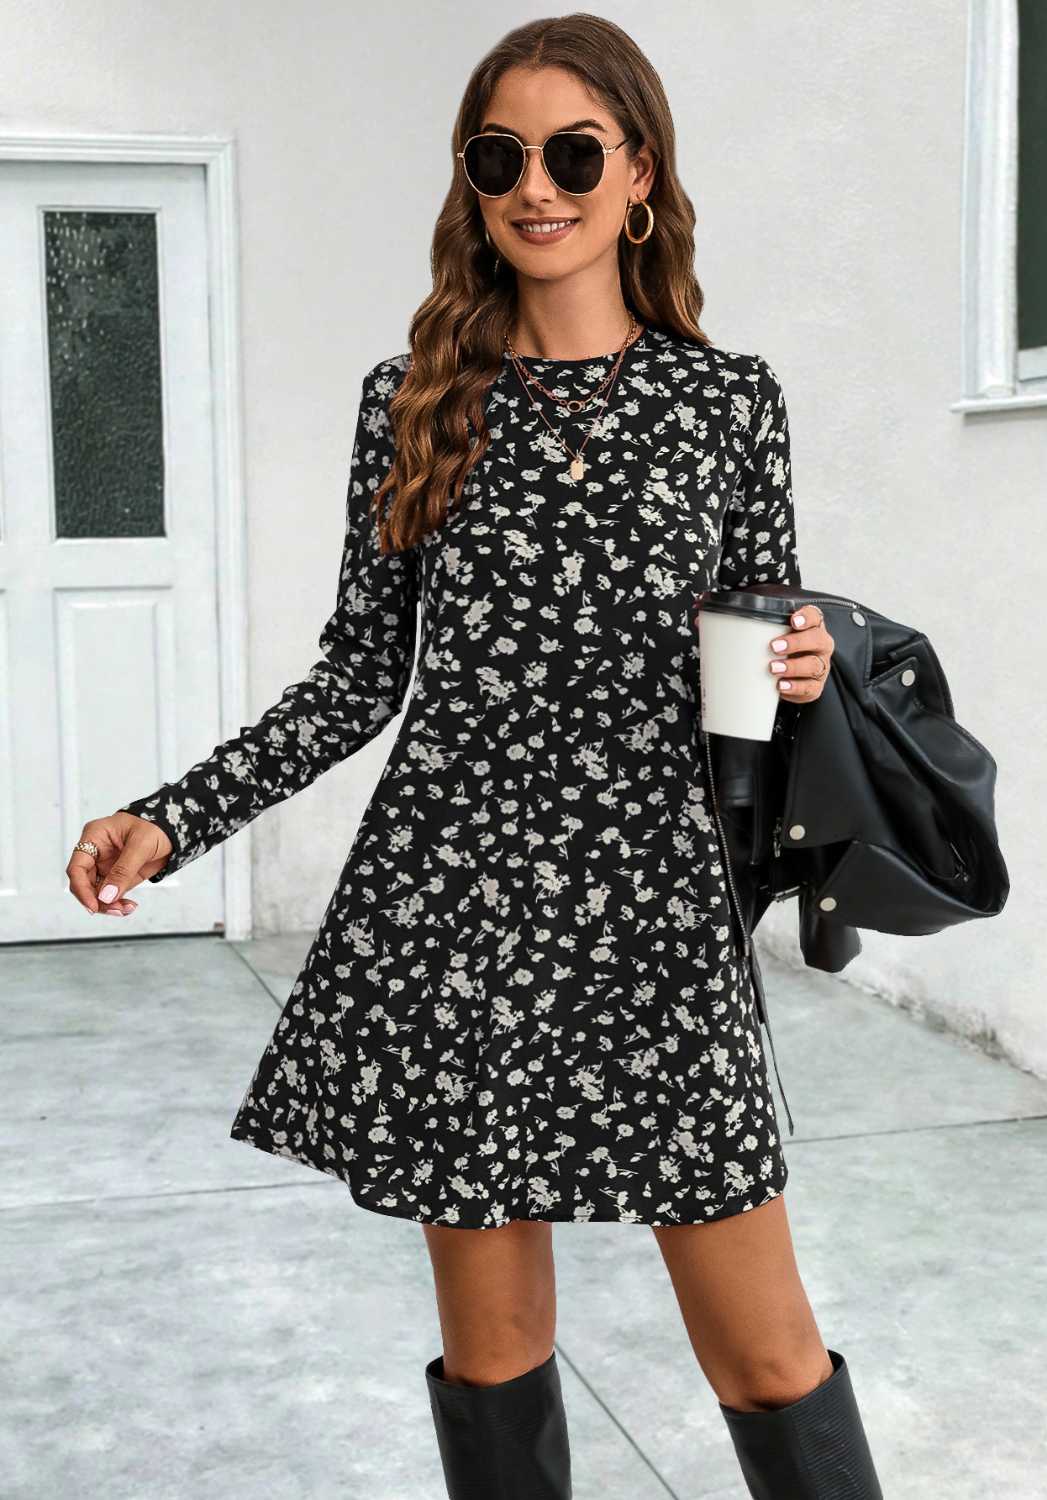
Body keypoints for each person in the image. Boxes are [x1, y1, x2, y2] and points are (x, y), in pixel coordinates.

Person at [66, 15, 882, 1499]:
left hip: (653, 912)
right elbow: (357, 678)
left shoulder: (727, 403)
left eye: (572, 152)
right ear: (471, 182)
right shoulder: (415, 401)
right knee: (494, 1351)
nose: (536, 186)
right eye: (499, 158)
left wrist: (806, 667)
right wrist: (172, 819)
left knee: (768, 1353)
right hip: (458, 914)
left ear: (641, 175)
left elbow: (761, 664)